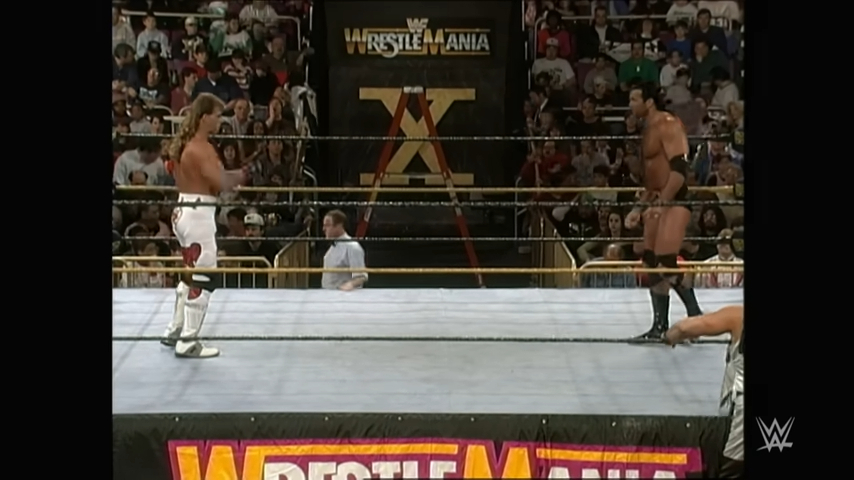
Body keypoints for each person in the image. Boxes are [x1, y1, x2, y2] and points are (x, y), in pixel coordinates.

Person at [160, 93, 247, 359]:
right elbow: (220, 182)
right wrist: (241, 175)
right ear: (204, 117)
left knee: (190, 272)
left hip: (184, 210)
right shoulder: (201, 148)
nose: (221, 121)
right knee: (204, 276)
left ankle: (175, 329)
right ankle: (188, 341)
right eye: (217, 116)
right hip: (197, 215)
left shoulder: (186, 145)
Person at [624, 83, 703, 341]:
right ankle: (659, 326)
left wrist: (662, 203)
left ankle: (696, 318)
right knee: (651, 262)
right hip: (657, 197)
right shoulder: (648, 128)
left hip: (675, 198)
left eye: (634, 99)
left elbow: (680, 169)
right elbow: (653, 178)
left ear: (648, 102)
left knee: (666, 263)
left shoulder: (667, 124)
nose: (630, 104)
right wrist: (639, 207)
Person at [663, 306, 744, 478]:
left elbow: (684, 328)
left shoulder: (738, 316)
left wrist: (669, 336)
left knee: (732, 468)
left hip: (741, 414)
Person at [321, 210, 368, 291]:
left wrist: (350, 284)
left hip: (342, 295)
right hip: (328, 294)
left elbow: (361, 276)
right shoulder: (333, 246)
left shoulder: (352, 247)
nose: (324, 229)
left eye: (327, 225)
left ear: (339, 225)